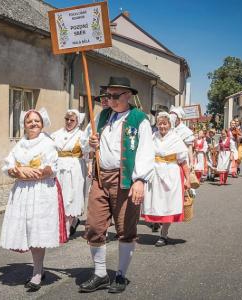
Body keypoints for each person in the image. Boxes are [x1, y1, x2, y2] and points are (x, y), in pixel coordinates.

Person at [80, 77, 154, 294]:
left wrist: (140, 180)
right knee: (93, 226)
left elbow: (146, 151)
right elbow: (85, 144)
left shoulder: (139, 119)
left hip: (125, 180)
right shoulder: (102, 116)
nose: (109, 100)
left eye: (114, 96)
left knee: (125, 229)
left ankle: (120, 274)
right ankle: (101, 273)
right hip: (100, 178)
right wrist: (91, 144)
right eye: (108, 95)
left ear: (128, 95)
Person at [0, 108, 66, 292]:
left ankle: (37, 272)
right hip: (22, 191)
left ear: (42, 123)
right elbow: (8, 165)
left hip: (41, 191)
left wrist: (27, 172)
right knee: (27, 230)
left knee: (37, 231)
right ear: (24, 125)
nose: (34, 124)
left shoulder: (48, 143)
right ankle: (39, 267)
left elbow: (50, 167)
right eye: (30, 121)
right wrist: (18, 171)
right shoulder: (20, 144)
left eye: (37, 121)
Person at [142, 112, 191, 247]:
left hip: (171, 174)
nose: (162, 126)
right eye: (160, 123)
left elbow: (183, 161)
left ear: (170, 125)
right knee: (155, 203)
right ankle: (156, 222)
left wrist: (187, 179)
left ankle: (163, 235)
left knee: (169, 205)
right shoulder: (153, 137)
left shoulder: (176, 139)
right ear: (157, 124)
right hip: (155, 175)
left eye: (165, 123)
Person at [52, 109, 87, 237]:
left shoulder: (82, 135)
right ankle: (59, 226)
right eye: (67, 119)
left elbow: (88, 151)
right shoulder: (56, 134)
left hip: (74, 168)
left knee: (71, 196)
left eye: (72, 120)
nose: (69, 122)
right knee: (58, 196)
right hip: (59, 167)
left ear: (77, 121)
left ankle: (68, 227)